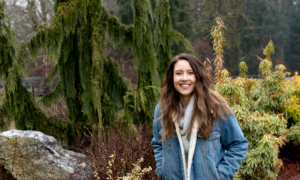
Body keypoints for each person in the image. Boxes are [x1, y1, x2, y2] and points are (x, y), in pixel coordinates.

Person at [151, 53, 248, 180]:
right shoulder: (162, 109)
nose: (184, 78)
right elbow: (158, 143)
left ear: (198, 76)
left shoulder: (216, 108)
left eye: (190, 73)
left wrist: (221, 176)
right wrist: (162, 169)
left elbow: (238, 144)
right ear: (171, 77)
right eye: (179, 73)